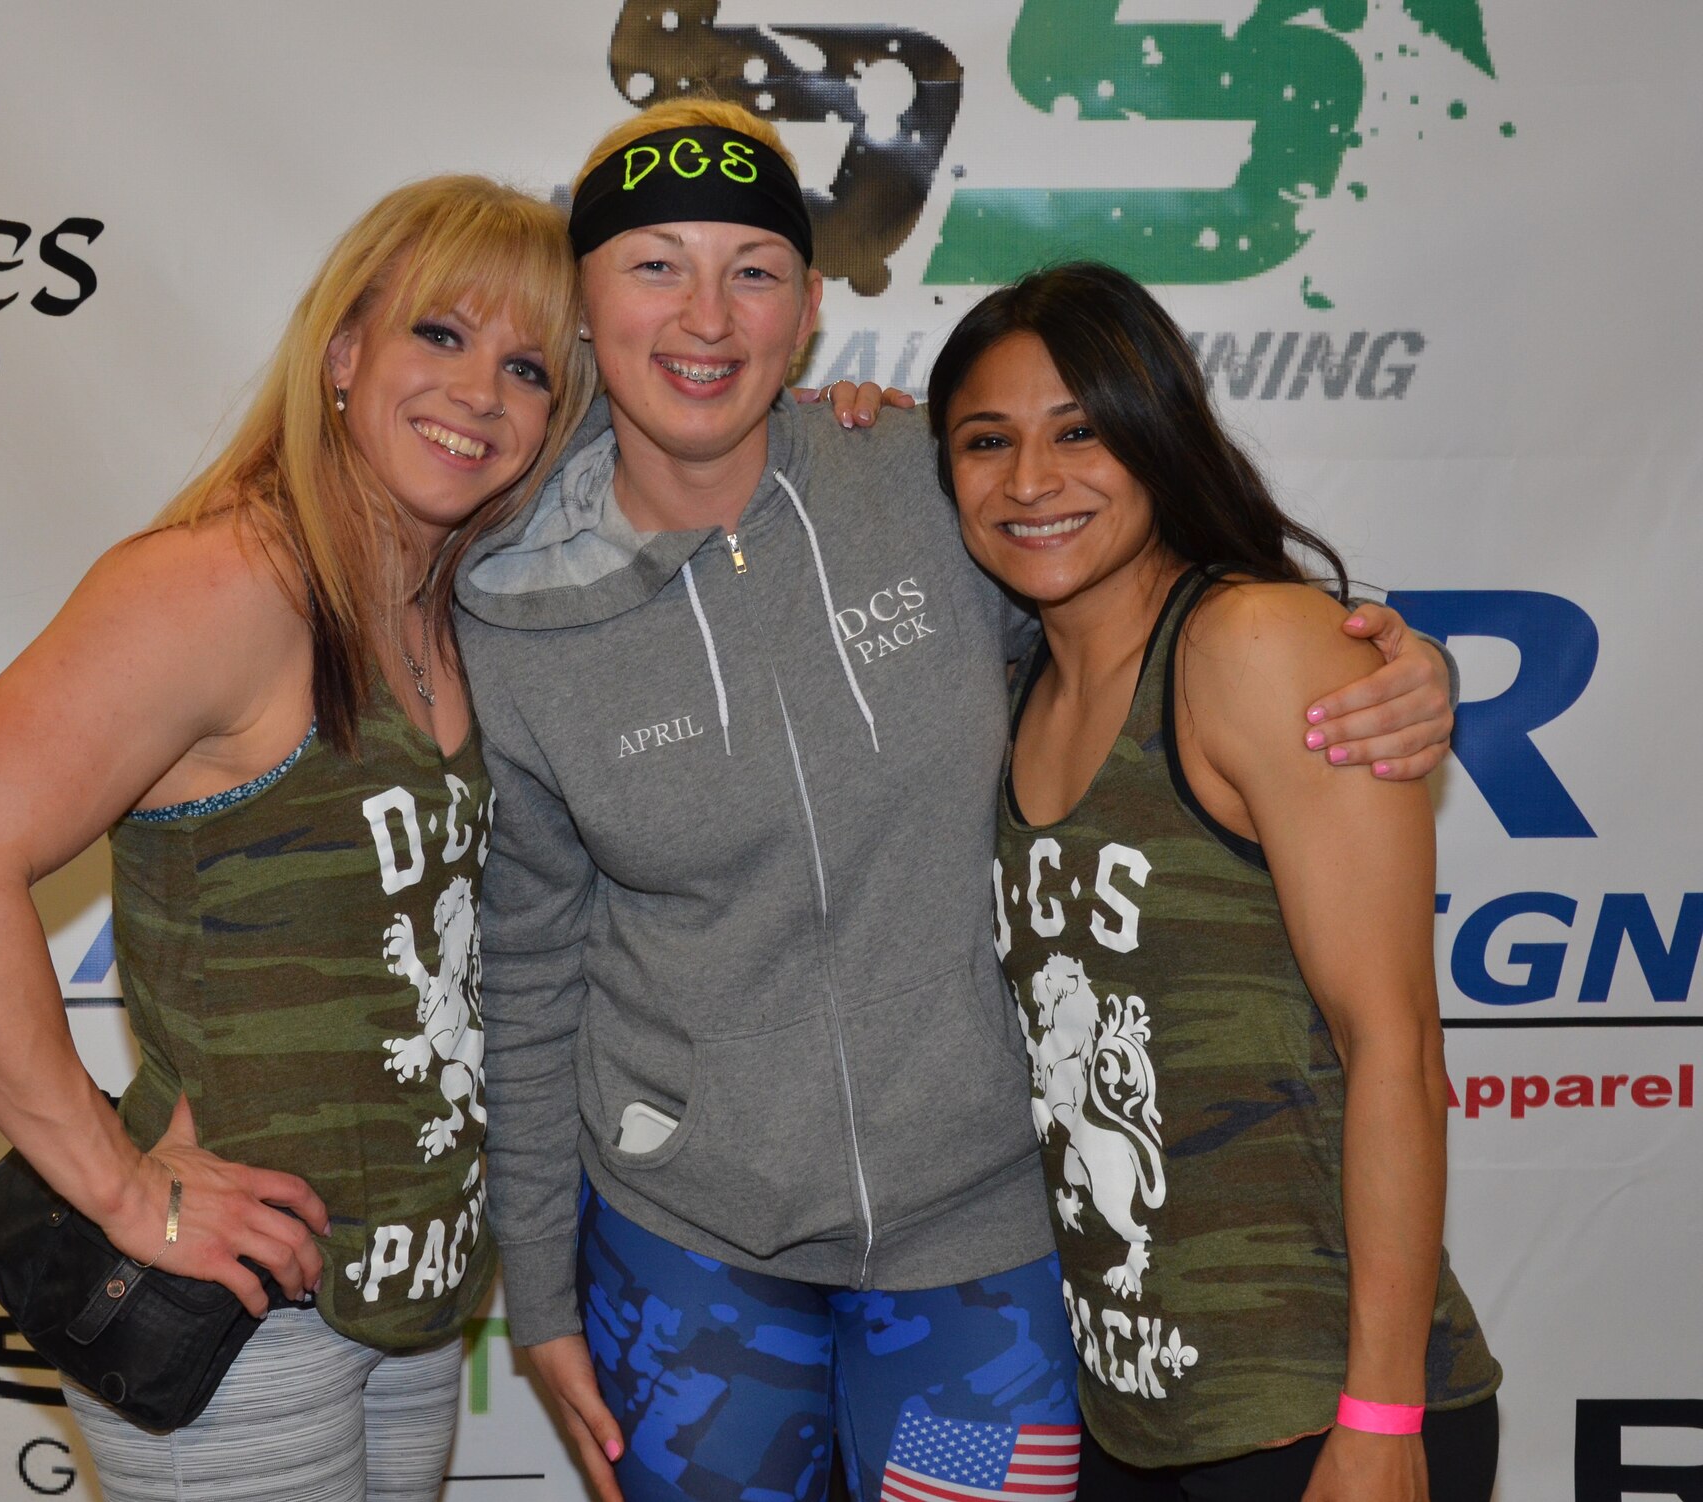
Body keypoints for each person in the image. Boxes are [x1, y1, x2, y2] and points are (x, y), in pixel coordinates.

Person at [452, 101, 1460, 1502]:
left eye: (751, 268)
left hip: (988, 1249)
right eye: (654, 265)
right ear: (584, 303)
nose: (705, 315)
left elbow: (1156, 608)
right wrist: (545, 1292)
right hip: (691, 1253)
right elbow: (532, 964)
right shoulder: (505, 604)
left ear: (806, 309)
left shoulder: (931, 480)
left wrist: (1398, 663)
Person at [0, 176, 597, 1502]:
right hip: (241, 1322)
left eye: (528, 365)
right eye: (442, 334)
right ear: (344, 351)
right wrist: (120, 1185)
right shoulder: (222, 587)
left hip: (408, 1297)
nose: (482, 391)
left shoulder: (457, 609)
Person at [928, 262, 1501, 1501]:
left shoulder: (1250, 645)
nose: (1030, 481)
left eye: (1079, 431)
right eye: (986, 440)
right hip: (1128, 1420)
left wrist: (1377, 1413)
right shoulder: (1016, 679)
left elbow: (1391, 1045)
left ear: (1154, 438)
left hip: (1313, 1415)